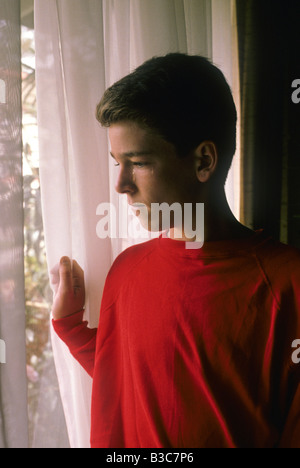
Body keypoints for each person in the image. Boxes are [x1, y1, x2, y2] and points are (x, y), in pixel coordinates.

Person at [51, 53, 300, 448]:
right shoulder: (127, 270)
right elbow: (136, 385)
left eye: (138, 162)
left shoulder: (289, 283)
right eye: (117, 162)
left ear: (203, 160)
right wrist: (71, 327)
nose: (120, 185)